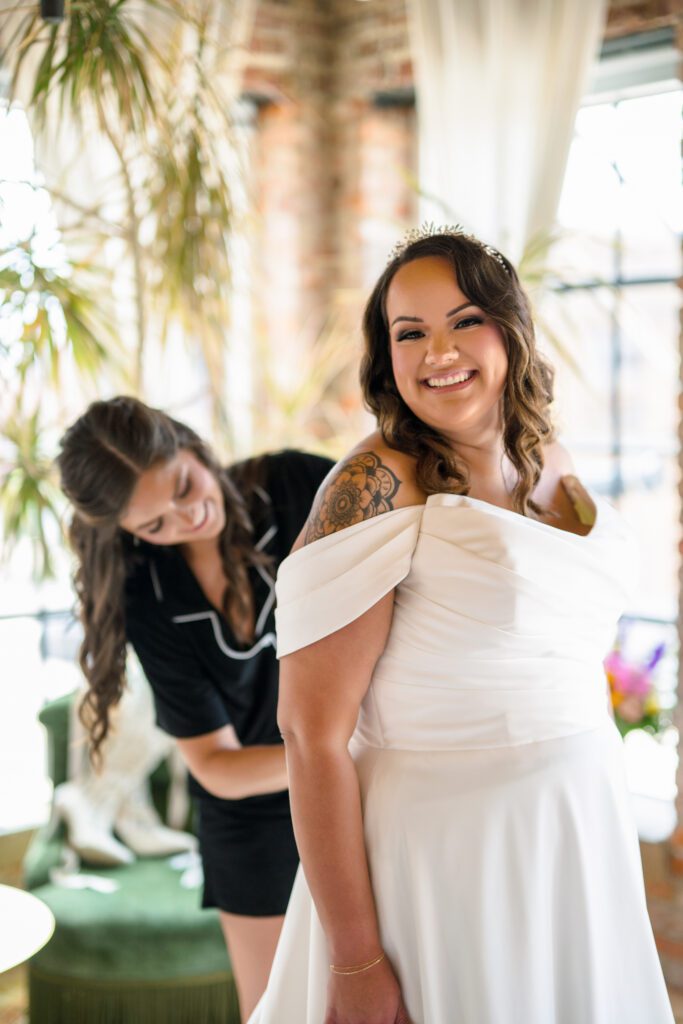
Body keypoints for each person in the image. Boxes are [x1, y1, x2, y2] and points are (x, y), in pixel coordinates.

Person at [248, 227, 674, 1024]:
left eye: (462, 320)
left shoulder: (543, 451)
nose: (437, 351)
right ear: (387, 356)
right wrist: (356, 960)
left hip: (574, 829)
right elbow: (309, 734)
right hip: (442, 852)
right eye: (409, 333)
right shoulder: (375, 482)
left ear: (508, 328)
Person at [56, 396, 334, 1022]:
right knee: (275, 1012)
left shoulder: (295, 485)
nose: (187, 517)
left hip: (353, 795)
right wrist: (332, 754)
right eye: (154, 525)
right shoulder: (147, 594)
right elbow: (215, 765)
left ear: (190, 444)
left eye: (184, 486)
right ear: (127, 533)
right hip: (252, 827)